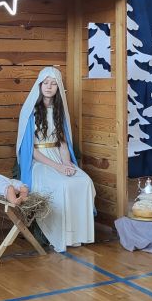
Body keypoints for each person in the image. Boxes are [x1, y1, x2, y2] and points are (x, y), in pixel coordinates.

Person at [16, 67, 95, 251]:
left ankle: (79, 235)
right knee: (63, 184)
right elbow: (30, 151)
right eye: (46, 83)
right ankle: (62, 236)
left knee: (84, 180)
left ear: (58, 87)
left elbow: (63, 143)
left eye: (53, 84)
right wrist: (57, 167)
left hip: (59, 157)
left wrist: (66, 163)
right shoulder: (30, 112)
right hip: (39, 161)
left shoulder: (59, 110)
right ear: (40, 85)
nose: (49, 87)